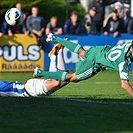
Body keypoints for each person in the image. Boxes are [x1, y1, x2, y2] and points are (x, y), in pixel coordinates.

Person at [33, 33, 133, 96]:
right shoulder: (123, 62)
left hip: (99, 51)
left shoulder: (128, 44)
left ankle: (55, 37)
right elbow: (124, 85)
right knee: (72, 78)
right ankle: (40, 72)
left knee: (81, 52)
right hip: (96, 62)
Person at [0, 44, 68, 97]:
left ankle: (52, 56)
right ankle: (60, 51)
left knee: (56, 82)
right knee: (65, 79)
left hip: (29, 89)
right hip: (29, 89)